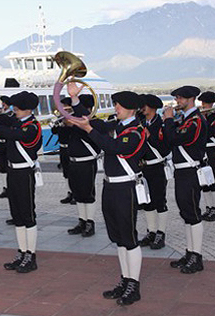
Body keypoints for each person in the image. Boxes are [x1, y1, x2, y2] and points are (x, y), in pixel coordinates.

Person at [69, 91, 146, 306]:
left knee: (129, 238)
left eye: (119, 105)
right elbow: (94, 122)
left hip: (125, 189)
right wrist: (75, 100)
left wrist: (89, 129)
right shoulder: (119, 126)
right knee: (118, 238)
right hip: (111, 187)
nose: (116, 109)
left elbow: (113, 147)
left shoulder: (137, 132)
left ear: (131, 108)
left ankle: (134, 285)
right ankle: (125, 279)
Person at [0, 90, 42, 274]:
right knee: (17, 215)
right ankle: (22, 252)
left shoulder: (32, 126)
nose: (14, 110)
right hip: (13, 172)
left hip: (24, 173)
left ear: (27, 109)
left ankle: (31, 255)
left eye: (17, 108)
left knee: (27, 214)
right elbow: (0, 117)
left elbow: (14, 134)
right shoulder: (19, 121)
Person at [163, 85, 208, 274]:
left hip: (190, 171)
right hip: (181, 171)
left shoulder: (195, 121)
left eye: (180, 98)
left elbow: (173, 138)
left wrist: (169, 120)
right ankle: (190, 252)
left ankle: (196, 256)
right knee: (186, 213)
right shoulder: (187, 119)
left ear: (190, 99)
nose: (177, 102)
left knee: (193, 214)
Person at [65, 90, 103, 238]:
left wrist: (73, 123)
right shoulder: (75, 121)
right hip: (73, 162)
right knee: (77, 193)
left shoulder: (94, 123)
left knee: (88, 193)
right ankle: (81, 221)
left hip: (87, 162)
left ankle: (90, 222)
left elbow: (87, 135)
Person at [138, 94, 171, 249]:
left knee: (159, 201)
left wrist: (150, 137)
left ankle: (160, 233)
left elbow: (165, 149)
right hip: (144, 167)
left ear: (151, 107)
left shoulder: (161, 124)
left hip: (157, 166)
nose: (140, 108)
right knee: (147, 201)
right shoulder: (142, 123)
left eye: (143, 105)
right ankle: (151, 231)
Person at [199, 92, 215, 221]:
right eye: (202, 103)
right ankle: (208, 207)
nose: (203, 105)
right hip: (201, 150)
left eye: (205, 103)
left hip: (211, 150)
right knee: (204, 180)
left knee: (212, 179)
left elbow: (210, 131)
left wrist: (203, 119)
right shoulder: (199, 116)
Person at [51, 97, 75, 205]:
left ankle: (76, 193)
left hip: (71, 148)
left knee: (73, 172)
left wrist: (67, 123)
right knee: (65, 172)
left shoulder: (74, 119)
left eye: (65, 106)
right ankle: (69, 192)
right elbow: (54, 132)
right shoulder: (61, 119)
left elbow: (73, 132)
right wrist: (57, 124)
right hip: (62, 148)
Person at [0, 96, 12, 200]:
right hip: (0, 142)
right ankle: (5, 187)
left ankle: (10, 187)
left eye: (3, 103)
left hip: (7, 142)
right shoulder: (1, 114)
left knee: (8, 166)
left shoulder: (9, 114)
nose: (2, 105)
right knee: (2, 166)